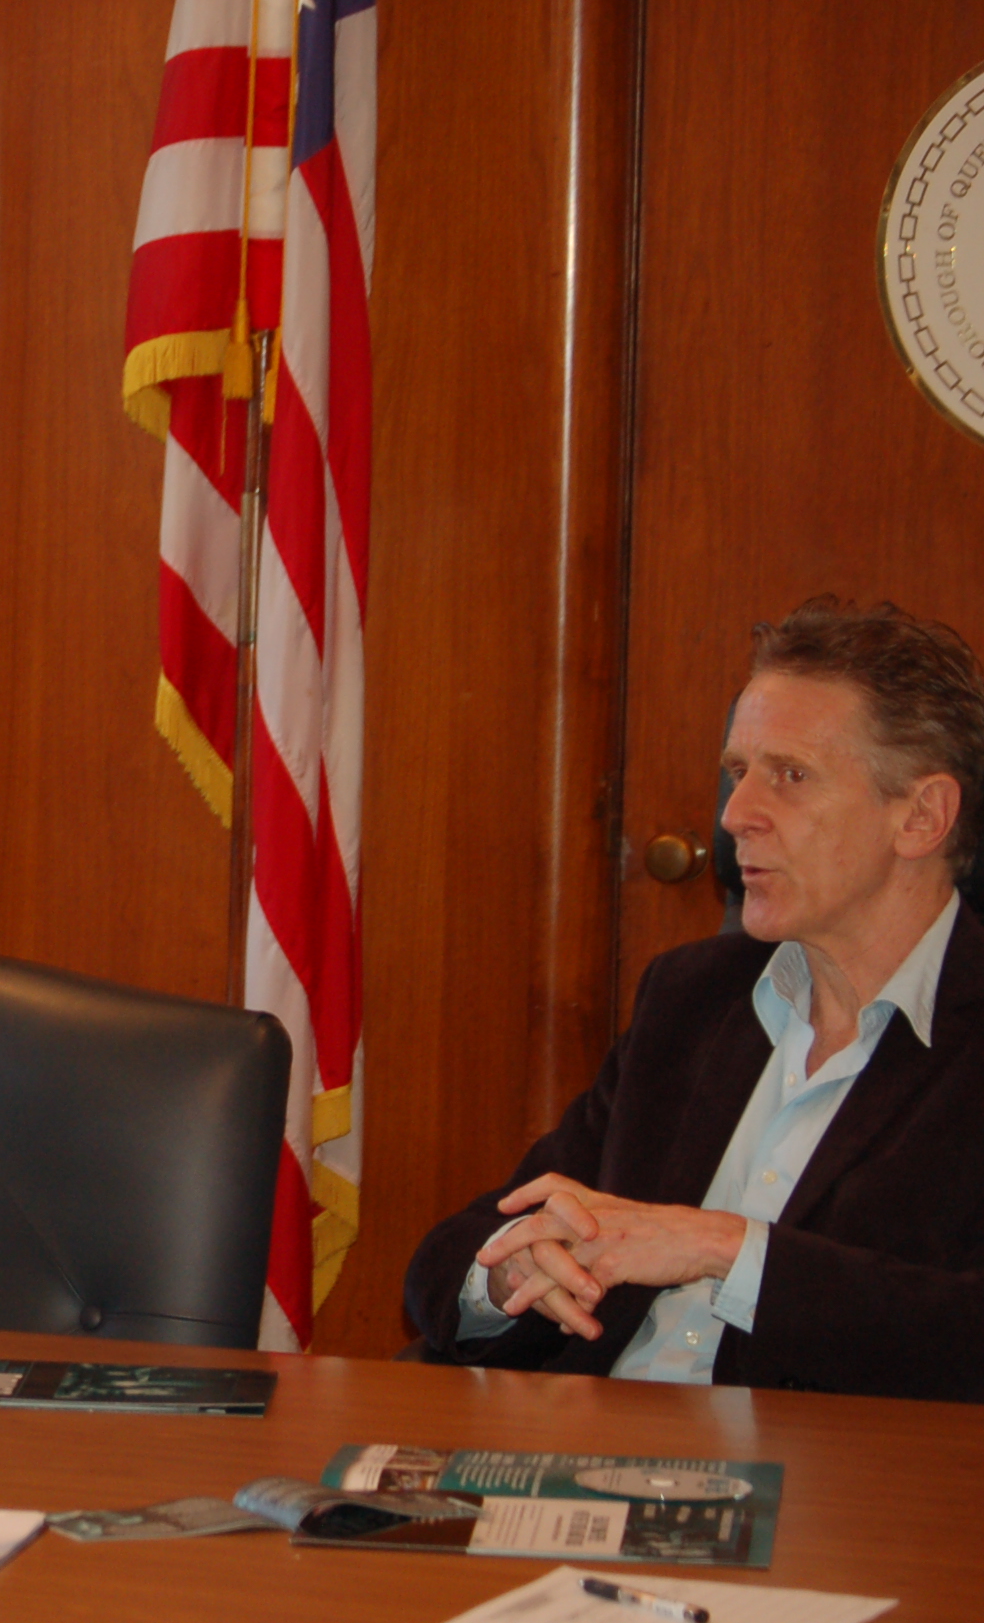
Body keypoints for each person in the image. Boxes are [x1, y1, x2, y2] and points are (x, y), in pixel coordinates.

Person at [405, 597, 984, 1402]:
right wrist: (510, 1274)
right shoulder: (694, 999)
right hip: (590, 1444)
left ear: (921, 817)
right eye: (738, 773)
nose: (735, 815)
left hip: (827, 1471)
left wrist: (728, 1249)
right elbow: (455, 1255)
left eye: (790, 776)